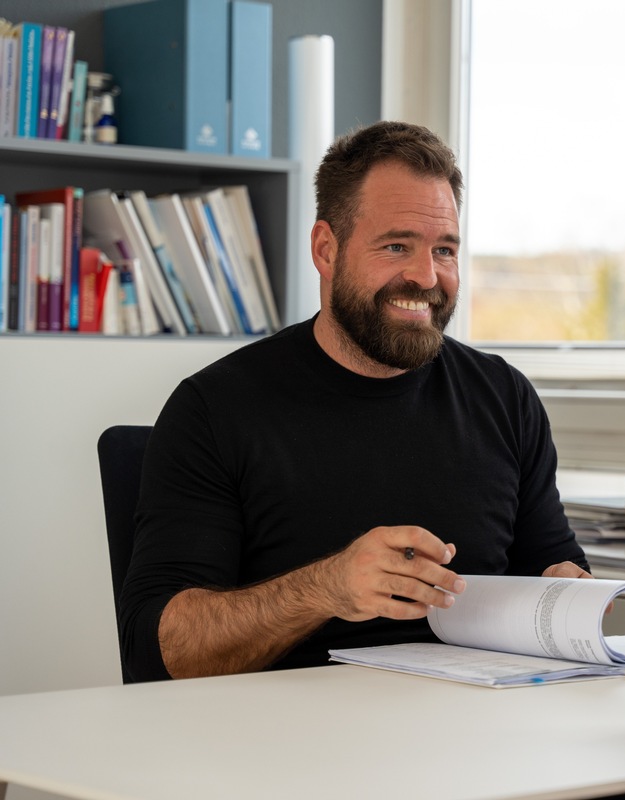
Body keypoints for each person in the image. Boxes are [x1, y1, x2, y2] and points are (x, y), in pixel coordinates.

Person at [119, 121, 593, 682]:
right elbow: (161, 652)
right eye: (397, 246)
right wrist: (325, 589)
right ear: (326, 249)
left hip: (473, 735)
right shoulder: (214, 409)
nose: (426, 276)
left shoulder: (504, 397)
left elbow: (549, 569)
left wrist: (569, 594)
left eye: (444, 250)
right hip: (285, 743)